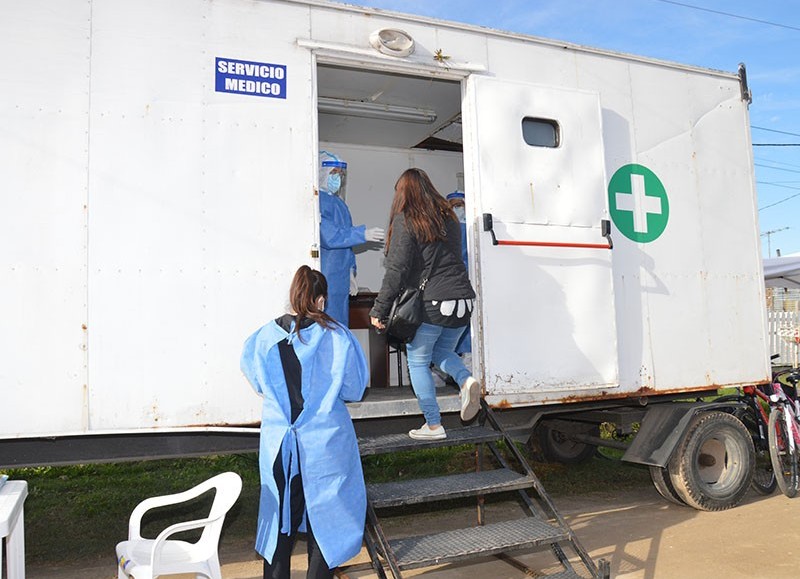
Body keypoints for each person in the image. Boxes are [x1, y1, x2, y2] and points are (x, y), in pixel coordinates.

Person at [240, 265, 369, 579]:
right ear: (321, 300)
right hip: (325, 445)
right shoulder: (337, 336)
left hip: (279, 446)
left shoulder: (263, 337)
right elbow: (354, 388)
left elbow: (257, 380)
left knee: (280, 520)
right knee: (327, 521)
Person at [369, 168, 480, 440]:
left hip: (435, 302)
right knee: (440, 352)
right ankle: (466, 380)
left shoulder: (407, 220)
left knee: (417, 362)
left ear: (403, 194)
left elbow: (396, 270)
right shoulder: (449, 219)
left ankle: (433, 425)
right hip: (463, 301)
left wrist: (379, 310)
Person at [319, 150, 385, 326]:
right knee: (326, 323)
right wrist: (361, 234)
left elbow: (346, 245)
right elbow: (329, 236)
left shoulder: (339, 203)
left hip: (339, 274)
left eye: (340, 174)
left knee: (339, 324)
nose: (337, 178)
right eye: (333, 173)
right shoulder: (317, 201)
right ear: (321, 172)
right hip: (326, 273)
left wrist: (350, 271)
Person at [446, 190, 471, 365]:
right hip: (448, 284)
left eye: (460, 205)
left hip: (468, 282)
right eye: (453, 205)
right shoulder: (444, 229)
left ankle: (468, 357)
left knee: (467, 322)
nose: (457, 209)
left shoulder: (472, 230)